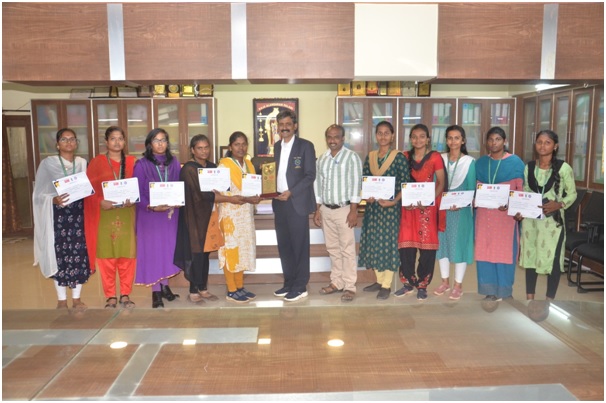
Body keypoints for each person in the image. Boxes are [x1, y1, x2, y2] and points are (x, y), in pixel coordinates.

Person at [515, 130, 576, 310]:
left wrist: (559, 204)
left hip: (553, 225)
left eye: (547, 142)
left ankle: (549, 302)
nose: (543, 146)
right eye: (539, 142)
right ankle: (530, 299)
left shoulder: (564, 168)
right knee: (531, 259)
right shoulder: (529, 167)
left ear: (555, 146)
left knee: (554, 262)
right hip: (530, 223)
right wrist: (519, 210)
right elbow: (525, 191)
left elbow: (572, 194)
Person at [33, 128, 90, 310]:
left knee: (78, 255)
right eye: (64, 139)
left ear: (76, 143)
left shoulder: (82, 163)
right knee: (60, 256)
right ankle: (61, 300)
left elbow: (88, 188)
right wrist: (53, 199)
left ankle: (77, 298)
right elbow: (38, 194)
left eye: (72, 139)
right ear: (57, 144)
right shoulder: (48, 164)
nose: (69, 142)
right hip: (57, 217)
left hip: (78, 215)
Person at [84, 126, 136, 309]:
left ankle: (125, 294)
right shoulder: (97, 163)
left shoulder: (132, 162)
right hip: (104, 216)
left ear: (124, 141)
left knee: (127, 256)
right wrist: (99, 201)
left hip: (127, 214)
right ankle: (110, 296)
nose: (117, 142)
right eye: (113, 138)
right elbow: (88, 190)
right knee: (107, 257)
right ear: (106, 142)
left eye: (120, 138)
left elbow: (139, 187)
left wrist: (134, 199)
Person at [359, 121, 410, 300]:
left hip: (390, 210)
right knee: (374, 243)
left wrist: (394, 201)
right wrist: (368, 195)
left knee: (387, 245)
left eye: (386, 133)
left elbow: (405, 184)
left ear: (392, 136)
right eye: (379, 133)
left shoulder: (399, 157)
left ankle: (387, 285)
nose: (383, 136)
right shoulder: (371, 156)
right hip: (373, 209)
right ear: (376, 136)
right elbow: (365, 180)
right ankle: (379, 281)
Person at [395, 123, 446, 300]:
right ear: (410, 139)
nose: (418, 140)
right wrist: (402, 200)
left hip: (427, 210)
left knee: (427, 250)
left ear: (428, 139)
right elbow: (400, 182)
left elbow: (441, 182)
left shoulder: (435, 157)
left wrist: (429, 201)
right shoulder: (404, 157)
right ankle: (408, 282)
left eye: (422, 136)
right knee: (406, 248)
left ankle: (422, 285)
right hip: (408, 210)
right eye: (414, 136)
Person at [313, 124, 363, 302]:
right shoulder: (322, 159)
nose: (332, 140)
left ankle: (350, 286)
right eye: (329, 137)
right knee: (333, 248)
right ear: (326, 138)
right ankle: (337, 282)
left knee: (347, 249)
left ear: (343, 139)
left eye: (336, 137)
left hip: (344, 210)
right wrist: (318, 209)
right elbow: (318, 185)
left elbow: (357, 184)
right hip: (326, 209)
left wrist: (353, 210)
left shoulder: (351, 158)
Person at [174, 134, 226, 304]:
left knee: (205, 253)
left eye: (206, 147)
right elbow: (198, 194)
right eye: (200, 148)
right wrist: (219, 196)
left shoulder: (212, 167)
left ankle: (203, 288)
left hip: (208, 216)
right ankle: (193, 290)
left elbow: (221, 187)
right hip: (192, 217)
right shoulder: (188, 168)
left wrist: (222, 193)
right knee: (195, 252)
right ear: (192, 150)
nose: (204, 151)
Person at [475, 126, 524, 301]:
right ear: (486, 142)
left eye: (497, 139)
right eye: (490, 139)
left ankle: (505, 291)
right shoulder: (480, 163)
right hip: (484, 216)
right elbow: (475, 189)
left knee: (504, 253)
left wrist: (513, 205)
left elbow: (520, 190)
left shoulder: (515, 162)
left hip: (505, 218)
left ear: (504, 141)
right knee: (485, 252)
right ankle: (489, 290)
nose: (493, 143)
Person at [133, 128, 182, 308]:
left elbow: (178, 185)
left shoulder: (174, 162)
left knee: (167, 251)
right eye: (156, 140)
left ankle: (165, 287)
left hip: (169, 214)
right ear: (149, 144)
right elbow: (137, 193)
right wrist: (152, 206)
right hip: (150, 215)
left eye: (163, 140)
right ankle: (155, 291)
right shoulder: (142, 164)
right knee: (153, 252)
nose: (160, 144)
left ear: (167, 143)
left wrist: (177, 201)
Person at [272, 110, 317, 302]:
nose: (284, 127)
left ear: (295, 126)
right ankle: (289, 282)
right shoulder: (276, 147)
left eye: (288, 124)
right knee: (285, 246)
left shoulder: (305, 146)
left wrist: (291, 191)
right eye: (281, 124)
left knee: (299, 245)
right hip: (279, 203)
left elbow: (310, 175)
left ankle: (300, 285)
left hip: (296, 202)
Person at [217, 132, 262, 303]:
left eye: (244, 144)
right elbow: (218, 193)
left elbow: (253, 189)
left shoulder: (249, 165)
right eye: (237, 144)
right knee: (231, 251)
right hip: (230, 215)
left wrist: (257, 197)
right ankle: (231, 289)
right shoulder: (224, 166)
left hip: (245, 214)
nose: (241, 148)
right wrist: (237, 199)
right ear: (230, 147)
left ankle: (240, 286)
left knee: (242, 250)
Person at [434, 125, 476, 300]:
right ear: (446, 140)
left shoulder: (469, 162)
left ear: (463, 140)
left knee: (459, 246)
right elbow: (436, 184)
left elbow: (472, 188)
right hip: (442, 210)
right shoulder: (440, 159)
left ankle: (458, 285)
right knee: (442, 245)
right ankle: (445, 281)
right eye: (450, 138)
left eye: (457, 138)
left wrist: (462, 203)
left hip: (461, 212)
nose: (453, 141)